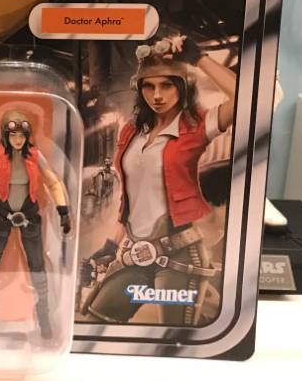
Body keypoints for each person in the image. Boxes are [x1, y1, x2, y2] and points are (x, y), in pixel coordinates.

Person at [84, 36, 234, 325]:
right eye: (149, 86)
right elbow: (132, 199)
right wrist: (112, 245)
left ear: (182, 87)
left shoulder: (196, 126)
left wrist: (199, 58)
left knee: (176, 337)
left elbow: (249, 99)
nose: (157, 95)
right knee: (94, 321)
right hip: (136, 253)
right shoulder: (130, 133)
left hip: (180, 255)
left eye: (167, 85)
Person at [0, 110, 71, 339]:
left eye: (21, 135)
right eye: (13, 135)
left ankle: (44, 321)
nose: (18, 139)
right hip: (2, 216)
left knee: (37, 267)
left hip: (29, 215)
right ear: (5, 135)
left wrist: (63, 212)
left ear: (27, 136)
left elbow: (53, 182)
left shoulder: (35, 156)